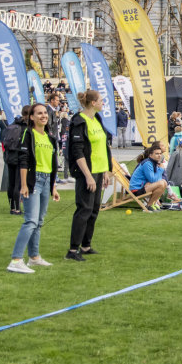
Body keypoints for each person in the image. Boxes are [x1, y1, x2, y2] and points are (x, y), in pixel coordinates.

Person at [7, 103, 61, 274]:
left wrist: (53, 187)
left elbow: (52, 164)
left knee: (39, 221)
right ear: (31, 117)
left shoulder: (50, 137)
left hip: (46, 181)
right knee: (30, 221)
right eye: (39, 113)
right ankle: (16, 260)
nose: (43, 116)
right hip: (33, 180)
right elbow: (23, 160)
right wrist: (23, 185)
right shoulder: (27, 134)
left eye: (45, 113)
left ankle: (34, 257)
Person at [66, 90, 112, 261]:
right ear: (93, 103)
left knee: (94, 209)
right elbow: (77, 151)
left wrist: (106, 171)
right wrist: (88, 175)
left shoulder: (97, 119)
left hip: (100, 170)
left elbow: (103, 146)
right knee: (84, 210)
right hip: (88, 172)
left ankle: (86, 245)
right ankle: (72, 250)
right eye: (101, 100)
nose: (103, 103)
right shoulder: (79, 121)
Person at [2, 107, 30, 215]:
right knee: (18, 183)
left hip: (10, 156)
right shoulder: (25, 128)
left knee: (11, 182)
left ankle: (12, 206)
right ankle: (17, 208)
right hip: (19, 156)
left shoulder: (13, 124)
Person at [130, 141, 168, 210]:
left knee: (164, 182)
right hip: (137, 190)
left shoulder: (154, 162)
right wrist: (161, 169)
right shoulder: (147, 163)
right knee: (161, 183)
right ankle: (149, 206)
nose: (159, 155)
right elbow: (153, 179)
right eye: (156, 154)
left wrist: (150, 182)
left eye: (160, 153)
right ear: (150, 155)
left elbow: (157, 178)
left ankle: (152, 204)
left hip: (144, 187)